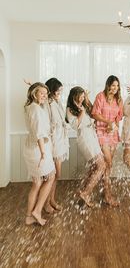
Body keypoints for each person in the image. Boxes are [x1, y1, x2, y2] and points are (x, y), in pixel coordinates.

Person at [66, 86, 106, 207]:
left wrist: (87, 101)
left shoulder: (84, 105)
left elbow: (94, 113)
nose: (82, 98)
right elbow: (76, 125)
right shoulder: (70, 109)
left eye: (84, 96)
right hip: (85, 138)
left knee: (95, 167)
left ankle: (83, 190)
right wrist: (82, 112)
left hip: (92, 136)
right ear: (74, 96)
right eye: (81, 96)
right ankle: (86, 193)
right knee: (101, 165)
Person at [24, 82, 55, 225]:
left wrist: (35, 86)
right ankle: (37, 210)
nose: (45, 96)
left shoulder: (31, 107)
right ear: (34, 93)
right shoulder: (36, 109)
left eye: (46, 93)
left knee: (37, 183)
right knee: (50, 176)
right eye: (41, 93)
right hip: (39, 149)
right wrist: (43, 152)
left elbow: (46, 105)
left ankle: (29, 217)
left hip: (32, 148)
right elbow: (39, 133)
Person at [92, 75, 123, 206]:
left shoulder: (119, 99)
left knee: (107, 165)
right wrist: (108, 122)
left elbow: (119, 116)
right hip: (101, 132)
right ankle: (107, 194)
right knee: (108, 162)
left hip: (113, 133)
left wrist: (114, 125)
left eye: (117, 86)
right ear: (108, 85)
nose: (115, 88)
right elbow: (94, 113)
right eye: (113, 85)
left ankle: (102, 191)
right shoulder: (100, 96)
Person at [44, 78, 69, 212]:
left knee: (56, 175)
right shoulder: (47, 103)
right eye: (58, 90)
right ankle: (47, 202)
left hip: (60, 141)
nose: (60, 92)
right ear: (52, 90)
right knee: (52, 175)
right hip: (53, 143)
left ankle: (51, 200)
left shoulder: (57, 102)